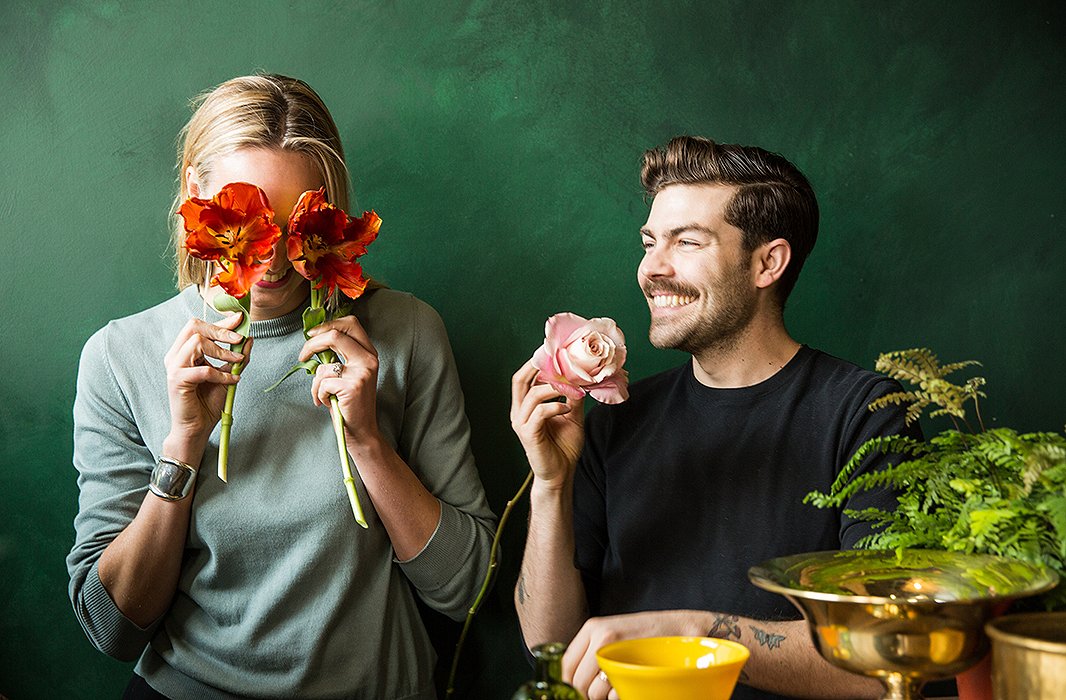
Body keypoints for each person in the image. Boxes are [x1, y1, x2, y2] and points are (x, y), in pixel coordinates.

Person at [67, 74, 495, 700]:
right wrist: (183, 444)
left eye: (294, 224)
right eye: (248, 217)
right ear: (196, 193)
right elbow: (112, 629)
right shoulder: (118, 356)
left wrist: (370, 443)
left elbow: (468, 589)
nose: (269, 257)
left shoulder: (405, 333)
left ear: (329, 214)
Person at [510, 136, 917, 699]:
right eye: (650, 243)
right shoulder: (612, 419)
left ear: (768, 262)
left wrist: (693, 636)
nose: (652, 268)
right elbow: (547, 645)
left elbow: (886, 655)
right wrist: (551, 486)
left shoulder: (868, 416)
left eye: (687, 242)